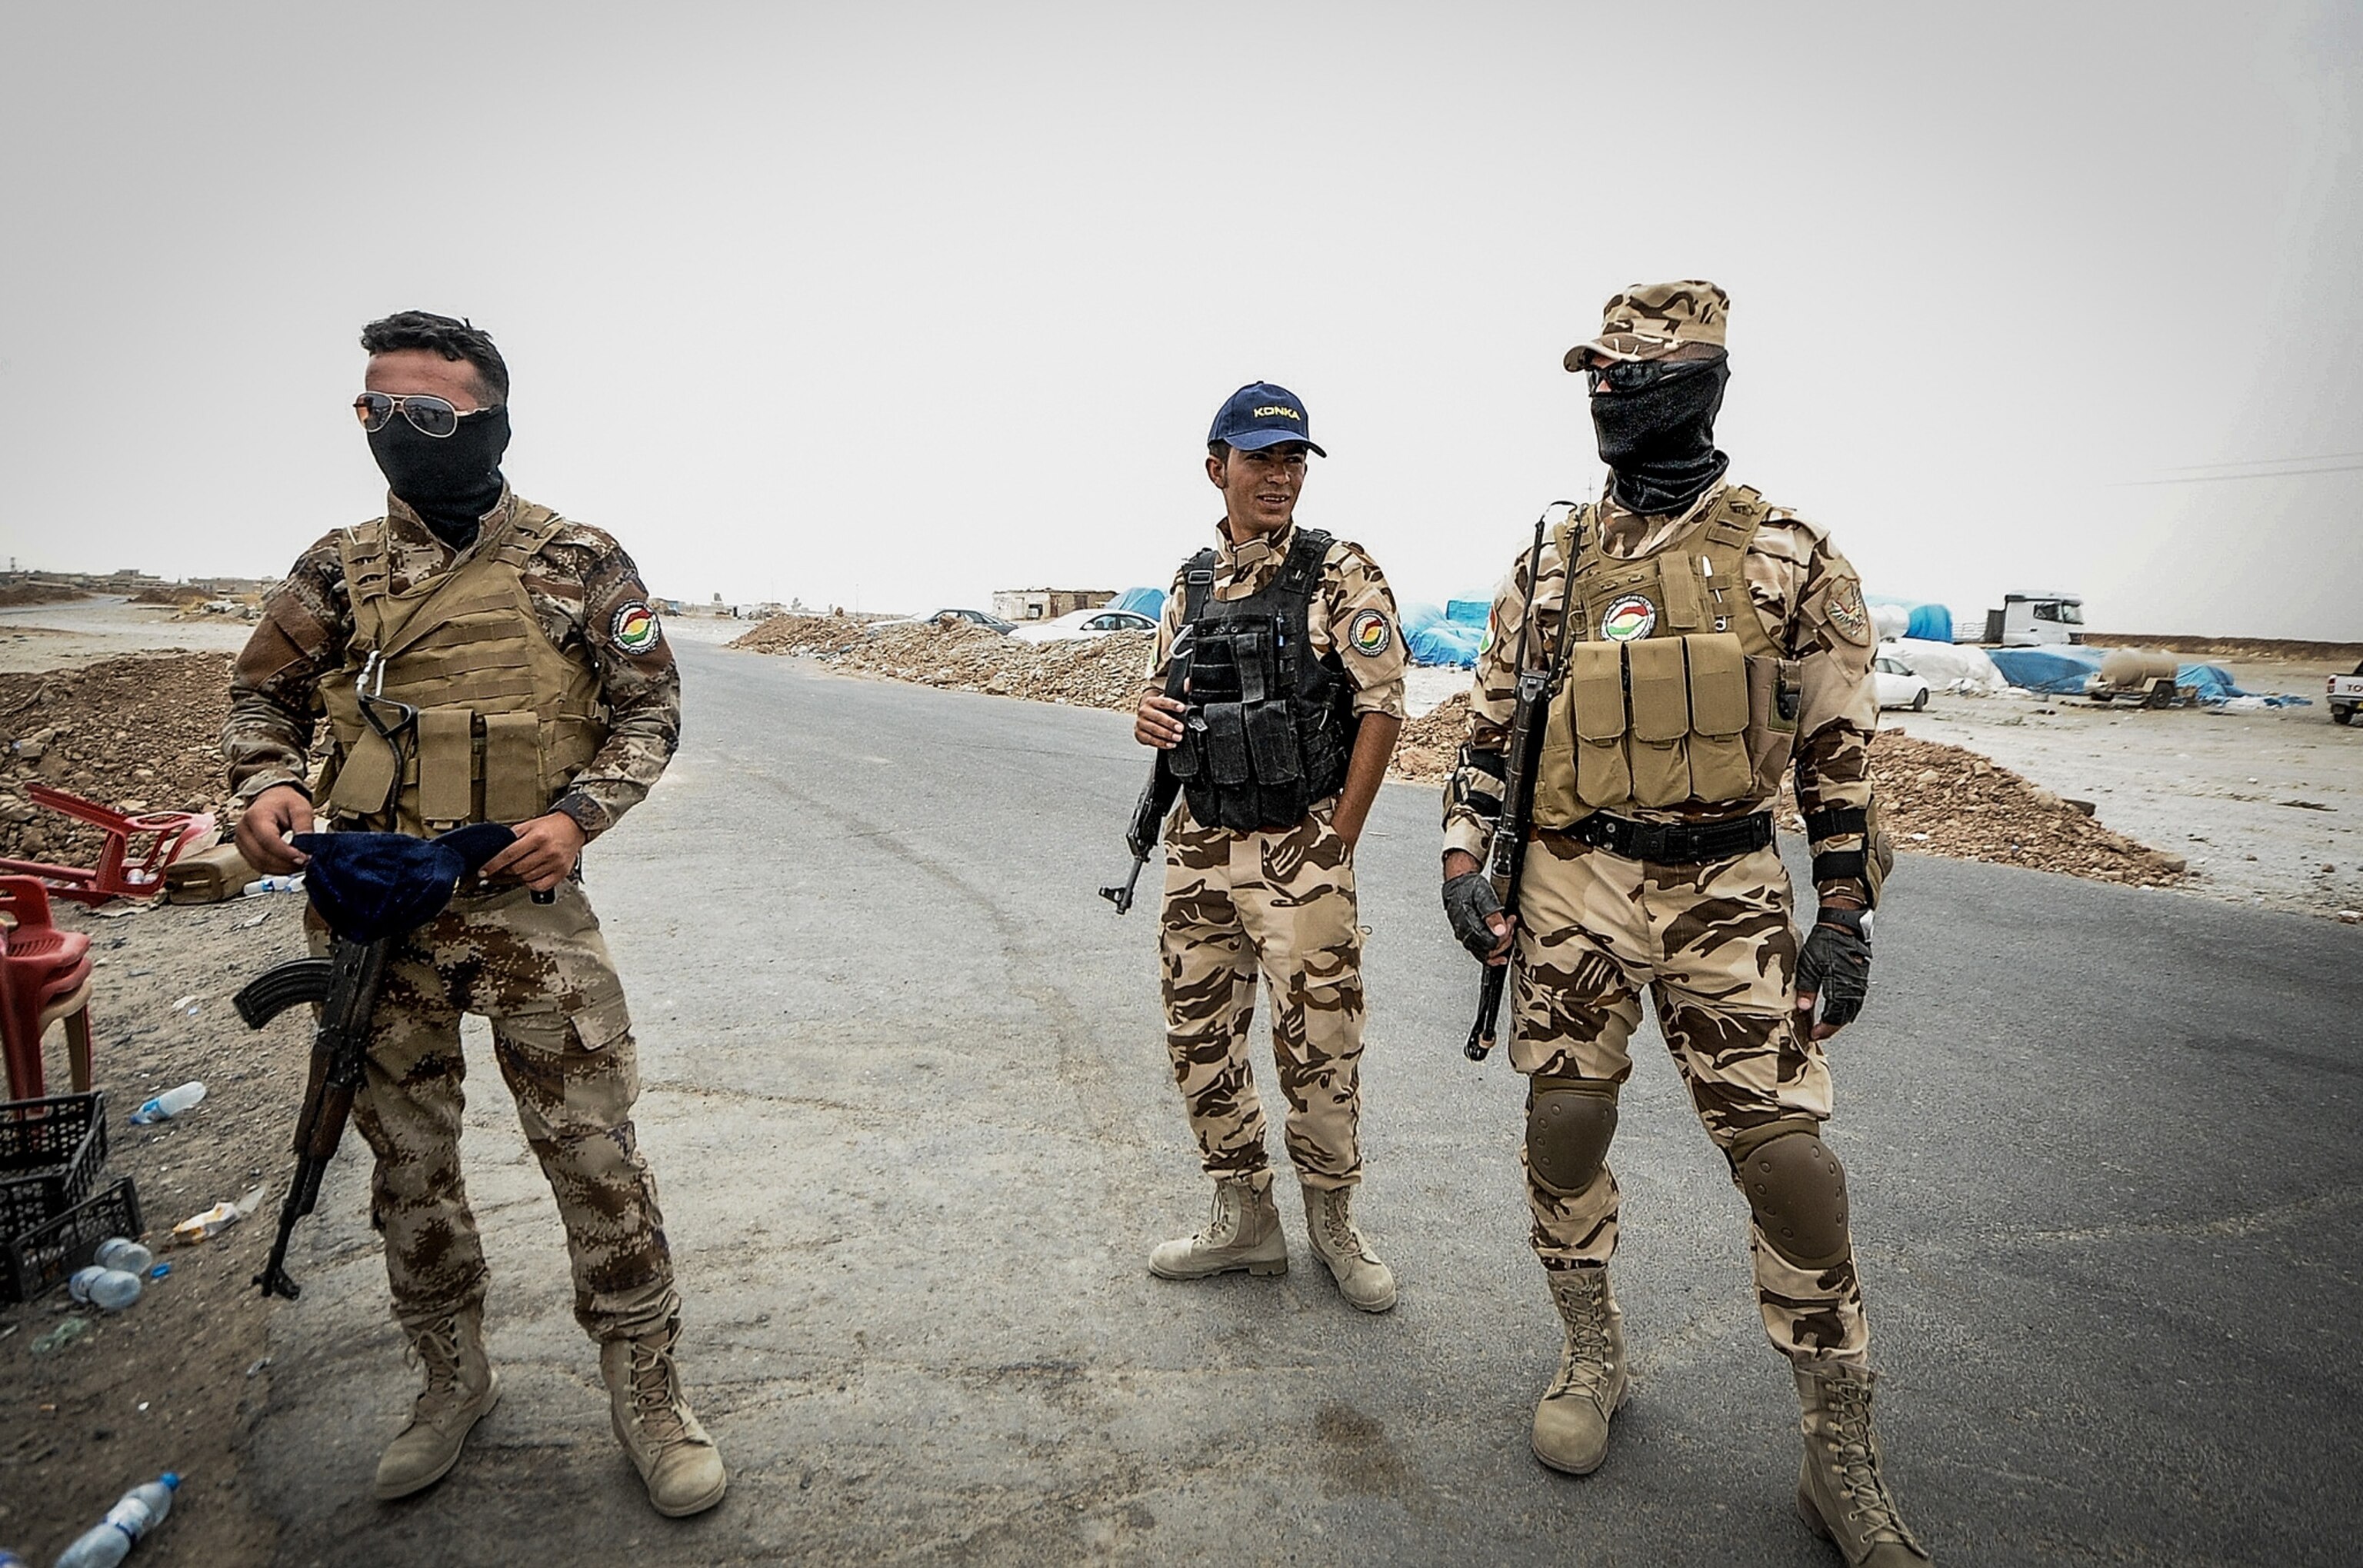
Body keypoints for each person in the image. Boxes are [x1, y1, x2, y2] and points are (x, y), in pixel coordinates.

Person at [1438, 283, 1928, 1564]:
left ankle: (1840, 1459)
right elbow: (1488, 737)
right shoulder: (1547, 563)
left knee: (1793, 1169)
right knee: (1562, 1119)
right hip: (1572, 880)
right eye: (1592, 376)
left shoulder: (1792, 555)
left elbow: (1839, 754)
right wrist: (1458, 861)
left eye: (1628, 375)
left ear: (1699, 385)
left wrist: (1842, 909)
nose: (1603, 394)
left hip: (1726, 886)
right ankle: (1591, 1352)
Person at [223, 311, 725, 1518]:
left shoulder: (580, 558)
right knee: (408, 1166)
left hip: (524, 908)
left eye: (431, 416)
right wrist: (267, 782)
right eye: (376, 412)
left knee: (596, 1156)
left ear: (494, 418)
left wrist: (581, 816)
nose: (401, 435)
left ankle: (649, 1391)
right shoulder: (336, 569)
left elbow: (647, 710)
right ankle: (448, 1376)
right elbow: (260, 697)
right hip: (371, 911)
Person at [1133, 383, 1408, 1313]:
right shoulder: (1190, 584)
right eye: (1260, 459)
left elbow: (1382, 701)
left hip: (1302, 848)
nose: (1280, 475)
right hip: (1201, 846)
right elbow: (1160, 695)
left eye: (1293, 459)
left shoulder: (1339, 572)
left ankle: (1333, 1221)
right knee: (1200, 1039)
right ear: (1218, 469)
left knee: (1321, 1044)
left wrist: (1339, 836)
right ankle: (1244, 1215)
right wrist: (1148, 714)